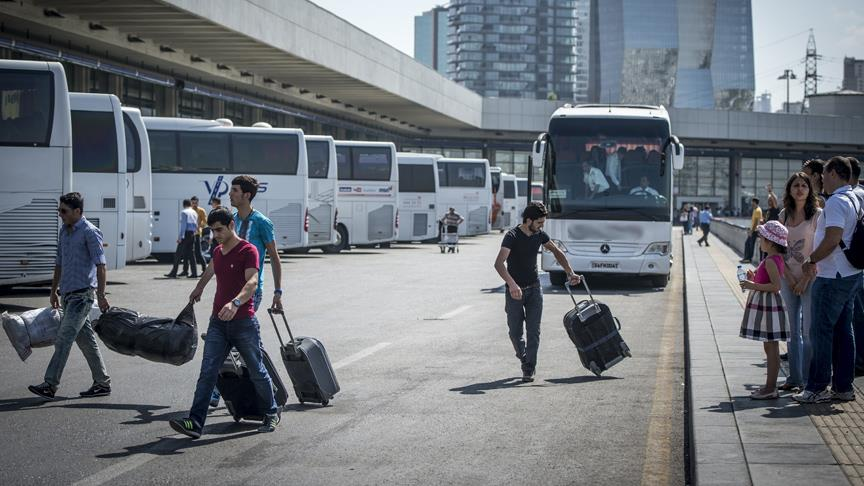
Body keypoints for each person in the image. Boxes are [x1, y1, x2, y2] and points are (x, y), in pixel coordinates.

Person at [169, 208, 280, 438]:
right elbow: (211, 269)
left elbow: (251, 282)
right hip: (218, 323)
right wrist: (198, 288)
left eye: (219, 229)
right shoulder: (218, 251)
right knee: (208, 373)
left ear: (231, 225)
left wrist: (236, 303)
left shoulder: (248, 250)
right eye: (212, 230)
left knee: (257, 370)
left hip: (243, 323)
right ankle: (195, 422)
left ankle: (271, 412)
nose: (215, 234)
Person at [208, 176, 284, 408]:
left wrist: (278, 292)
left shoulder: (261, 222)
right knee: (245, 342)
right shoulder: (229, 221)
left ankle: (215, 391)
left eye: (235, 190)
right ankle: (266, 385)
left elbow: (274, 257)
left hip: (252, 289)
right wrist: (201, 284)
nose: (230, 194)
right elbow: (218, 255)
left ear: (247, 195)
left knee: (231, 339)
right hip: (228, 289)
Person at [28, 192, 112, 400]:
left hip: (82, 297)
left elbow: (101, 266)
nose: (60, 214)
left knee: (63, 339)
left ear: (77, 211)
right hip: (66, 296)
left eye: (63, 211)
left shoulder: (90, 232)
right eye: (59, 210)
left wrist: (101, 295)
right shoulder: (64, 232)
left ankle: (50, 384)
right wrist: (53, 290)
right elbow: (59, 263)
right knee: (86, 341)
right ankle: (102, 383)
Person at [794, 156, 864, 404]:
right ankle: (843, 387)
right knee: (845, 330)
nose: (821, 179)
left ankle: (817, 387)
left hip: (833, 275)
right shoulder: (858, 196)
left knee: (821, 331)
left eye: (824, 173)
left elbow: (833, 238)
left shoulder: (836, 203)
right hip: (853, 273)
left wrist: (811, 260)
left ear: (834, 173)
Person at [493, 202, 581, 383]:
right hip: (515, 292)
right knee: (515, 333)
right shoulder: (512, 236)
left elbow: (557, 252)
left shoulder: (539, 235)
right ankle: (523, 355)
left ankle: (529, 367)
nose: (542, 226)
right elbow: (499, 263)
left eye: (543, 223)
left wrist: (570, 272)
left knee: (534, 331)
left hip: (534, 290)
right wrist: (512, 284)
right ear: (528, 220)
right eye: (539, 222)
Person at [777, 173, 821, 391]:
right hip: (787, 276)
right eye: (796, 185)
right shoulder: (783, 214)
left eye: (804, 185)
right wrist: (789, 275)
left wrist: (803, 279)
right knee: (792, 330)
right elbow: (778, 249)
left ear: (810, 190)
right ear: (790, 189)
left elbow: (818, 251)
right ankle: (794, 379)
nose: (800, 189)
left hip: (811, 277)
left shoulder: (817, 215)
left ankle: (807, 380)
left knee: (808, 330)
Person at [739, 221, 789, 399]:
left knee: (771, 347)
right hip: (768, 304)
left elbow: (775, 286)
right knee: (770, 347)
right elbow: (769, 280)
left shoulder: (770, 261)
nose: (760, 240)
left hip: (768, 305)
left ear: (771, 242)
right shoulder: (773, 259)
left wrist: (753, 285)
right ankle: (770, 386)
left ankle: (770, 388)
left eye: (762, 238)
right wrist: (755, 277)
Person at [846, 157, 864, 375]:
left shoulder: (852, 196)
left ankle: (858, 361)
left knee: (855, 316)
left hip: (853, 263)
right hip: (858, 263)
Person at [165, 199, 199, 278]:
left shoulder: (184, 212)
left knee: (178, 255)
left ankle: (173, 273)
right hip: (192, 234)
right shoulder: (194, 212)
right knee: (191, 255)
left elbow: (183, 226)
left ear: (184, 205)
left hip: (186, 235)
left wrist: (180, 237)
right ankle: (194, 273)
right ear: (190, 204)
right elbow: (196, 224)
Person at [740, 198, 763, 264]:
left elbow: (756, 222)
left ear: (755, 203)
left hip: (755, 231)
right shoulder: (755, 210)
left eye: (752, 202)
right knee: (748, 244)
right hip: (753, 230)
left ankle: (748, 258)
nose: (751, 204)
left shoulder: (758, 210)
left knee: (750, 245)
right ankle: (746, 258)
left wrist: (751, 231)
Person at [190, 196, 208, 274]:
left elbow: (205, 221)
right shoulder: (189, 210)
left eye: (196, 203)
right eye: (193, 203)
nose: (194, 204)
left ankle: (204, 269)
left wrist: (199, 226)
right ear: (191, 203)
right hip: (189, 234)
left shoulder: (201, 211)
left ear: (198, 202)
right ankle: (186, 271)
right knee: (188, 253)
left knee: (198, 252)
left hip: (197, 234)